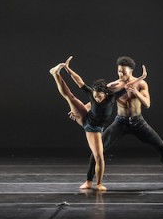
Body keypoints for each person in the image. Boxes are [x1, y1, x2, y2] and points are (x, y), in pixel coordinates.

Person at [79, 56, 163, 189]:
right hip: (120, 122)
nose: (121, 74)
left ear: (131, 71)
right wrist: (81, 110)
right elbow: (96, 101)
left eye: (124, 71)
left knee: (161, 147)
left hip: (138, 122)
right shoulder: (113, 87)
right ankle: (89, 181)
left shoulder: (141, 84)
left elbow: (147, 104)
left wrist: (135, 92)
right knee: (98, 150)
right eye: (119, 71)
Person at [49, 56, 146, 191]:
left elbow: (130, 85)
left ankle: (98, 183)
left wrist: (142, 77)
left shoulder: (112, 96)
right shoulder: (92, 93)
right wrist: (68, 69)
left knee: (99, 157)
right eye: (94, 95)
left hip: (95, 127)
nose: (96, 98)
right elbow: (79, 82)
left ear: (105, 94)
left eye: (98, 96)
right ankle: (55, 74)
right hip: (88, 122)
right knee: (70, 97)